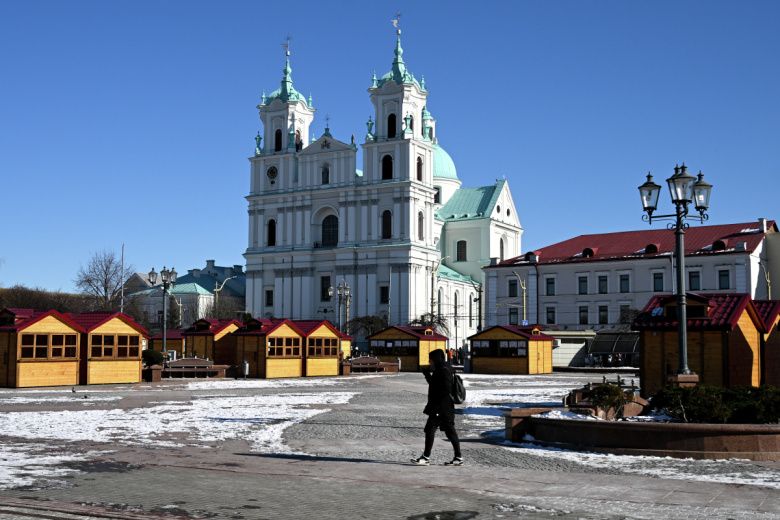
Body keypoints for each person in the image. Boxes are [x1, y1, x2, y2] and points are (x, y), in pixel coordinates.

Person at [410, 349, 463, 466]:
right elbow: (435, 385)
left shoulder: (444, 371)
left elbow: (445, 389)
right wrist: (427, 375)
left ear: (436, 359)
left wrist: (438, 407)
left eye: (431, 359)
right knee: (449, 432)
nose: (429, 361)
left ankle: (426, 457)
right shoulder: (441, 369)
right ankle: (458, 457)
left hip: (441, 408)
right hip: (443, 407)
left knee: (430, 430)